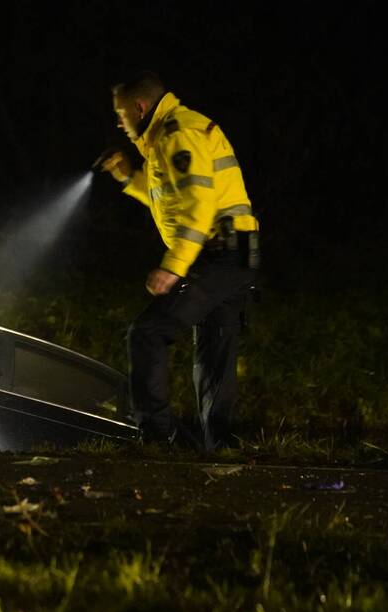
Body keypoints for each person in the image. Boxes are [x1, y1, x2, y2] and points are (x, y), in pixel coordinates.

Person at [98, 72, 259, 451]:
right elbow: (169, 200)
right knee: (214, 357)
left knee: (147, 332)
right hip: (233, 254)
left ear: (140, 107)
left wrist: (173, 266)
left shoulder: (178, 134)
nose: (119, 122)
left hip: (219, 255)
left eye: (121, 113)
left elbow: (198, 207)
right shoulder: (169, 137)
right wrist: (128, 177)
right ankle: (220, 450)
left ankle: (159, 438)